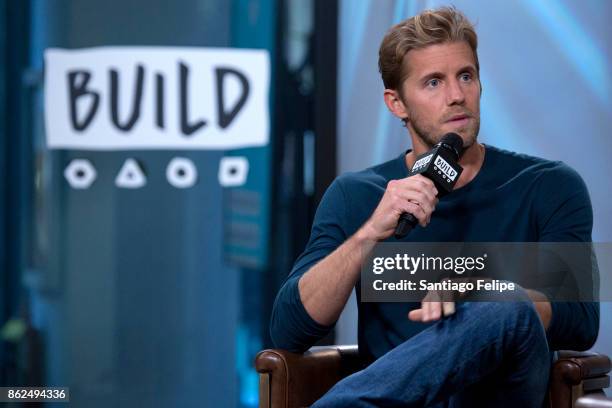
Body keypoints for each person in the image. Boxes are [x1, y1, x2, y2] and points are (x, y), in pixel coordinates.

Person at [269, 6, 599, 407]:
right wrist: (370, 233)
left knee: (505, 302)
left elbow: (580, 320)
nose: (457, 95)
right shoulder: (357, 195)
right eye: (433, 83)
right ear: (397, 103)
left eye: (466, 76)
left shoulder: (547, 185)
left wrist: (483, 288)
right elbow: (289, 330)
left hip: (499, 397)